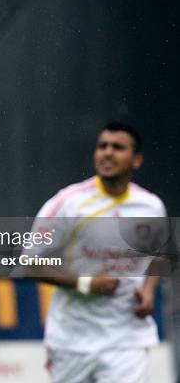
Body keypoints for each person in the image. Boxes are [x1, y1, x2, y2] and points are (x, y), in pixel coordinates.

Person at [29, 121, 167, 383]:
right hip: (72, 338)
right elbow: (28, 263)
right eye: (102, 146)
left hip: (127, 339)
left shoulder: (151, 206)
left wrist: (148, 291)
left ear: (136, 160)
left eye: (118, 147)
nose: (108, 153)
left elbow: (160, 253)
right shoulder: (68, 203)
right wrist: (85, 283)